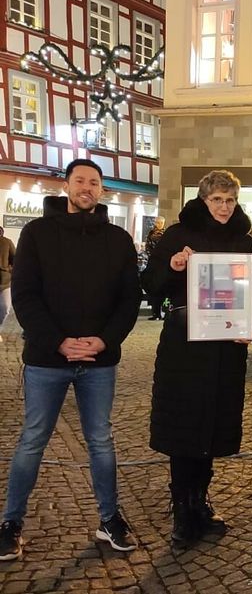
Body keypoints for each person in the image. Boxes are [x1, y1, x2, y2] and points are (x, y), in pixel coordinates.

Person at [0, 159, 141, 561]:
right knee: (32, 440)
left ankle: (109, 519)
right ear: (67, 186)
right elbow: (25, 295)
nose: (87, 187)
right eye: (80, 180)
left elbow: (129, 299)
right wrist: (59, 341)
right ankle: (11, 523)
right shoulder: (37, 233)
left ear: (101, 191)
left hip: (99, 360)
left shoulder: (118, 239)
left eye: (94, 182)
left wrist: (104, 340)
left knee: (101, 441)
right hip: (47, 358)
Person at [141, 170, 252, 545]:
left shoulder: (244, 242)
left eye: (230, 200)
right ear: (204, 200)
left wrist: (250, 326)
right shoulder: (177, 235)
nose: (224, 207)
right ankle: (182, 511)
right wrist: (173, 266)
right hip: (185, 346)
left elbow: (250, 293)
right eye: (217, 200)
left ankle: (200, 501)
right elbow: (151, 285)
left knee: (212, 426)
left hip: (225, 348)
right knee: (184, 427)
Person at [145, 217, 166, 320]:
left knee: (162, 288)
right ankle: (155, 312)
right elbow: (147, 247)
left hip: (162, 264)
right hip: (153, 264)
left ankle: (162, 312)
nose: (159, 224)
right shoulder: (151, 233)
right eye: (157, 222)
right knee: (153, 288)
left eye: (161, 222)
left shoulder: (166, 234)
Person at [0, 227, 15, 343]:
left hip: (4, 281)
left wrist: (9, 270)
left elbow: (15, 259)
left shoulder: (7, 242)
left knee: (5, 307)